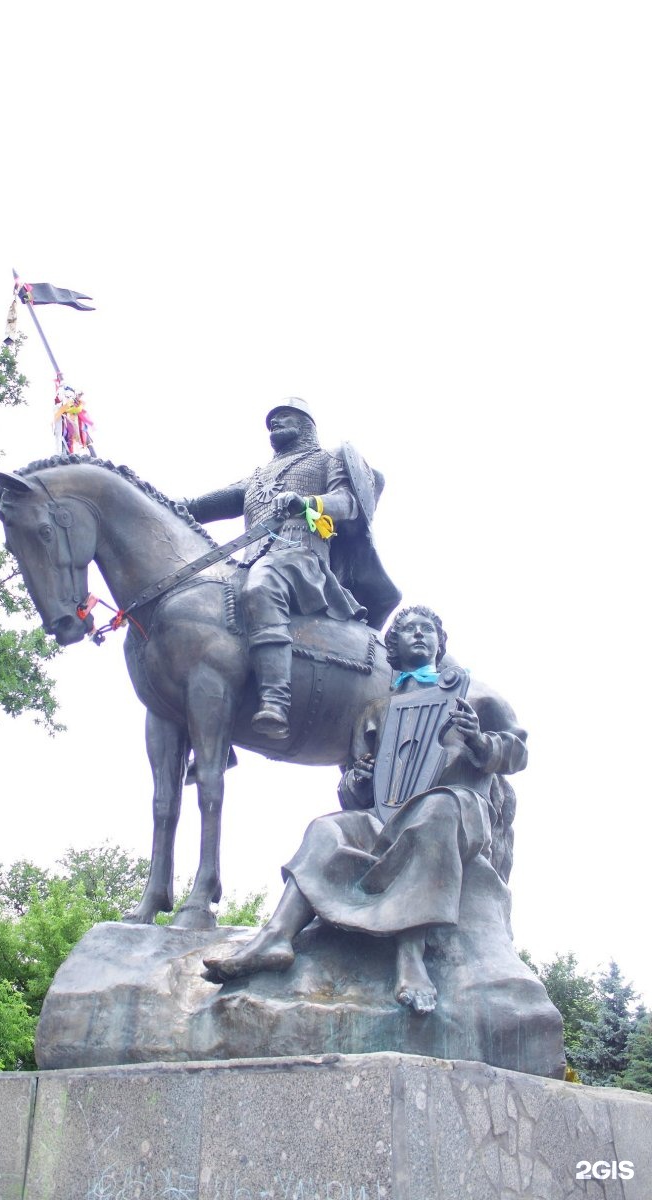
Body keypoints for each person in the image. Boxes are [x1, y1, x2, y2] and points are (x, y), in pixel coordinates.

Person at [202, 606, 527, 1014]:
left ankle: (410, 958)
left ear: (441, 644)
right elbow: (356, 792)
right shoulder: (375, 712)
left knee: (435, 812)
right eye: (408, 630)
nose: (419, 635)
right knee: (327, 829)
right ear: (392, 647)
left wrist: (481, 742)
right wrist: (356, 781)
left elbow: (517, 752)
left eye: (428, 630)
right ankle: (275, 938)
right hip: (384, 818)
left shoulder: (476, 696)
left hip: (458, 806)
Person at [185, 399, 398, 738]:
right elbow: (205, 505)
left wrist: (308, 503)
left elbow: (348, 503)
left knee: (262, 586)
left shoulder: (328, 459)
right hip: (250, 560)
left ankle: (276, 699)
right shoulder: (256, 477)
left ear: (307, 424)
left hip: (302, 557)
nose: (275, 423)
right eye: (271, 420)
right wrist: (162, 505)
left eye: (285, 417)